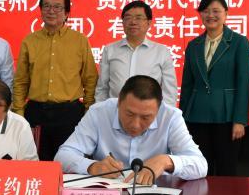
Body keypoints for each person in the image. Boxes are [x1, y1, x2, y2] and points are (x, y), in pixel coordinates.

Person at [55, 75, 207, 183]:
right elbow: (62, 156)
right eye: (129, 114)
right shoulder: (99, 113)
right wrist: (92, 167)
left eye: (146, 117)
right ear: (118, 102)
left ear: (159, 109)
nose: (135, 124)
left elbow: (201, 165)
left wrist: (166, 161)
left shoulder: (170, 117)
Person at [12, 0, 98, 161]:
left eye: (57, 7)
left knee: (69, 162)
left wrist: (88, 112)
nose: (51, 11)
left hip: (69, 114)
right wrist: (19, 113)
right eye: (46, 6)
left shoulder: (79, 40)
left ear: (66, 13)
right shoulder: (30, 41)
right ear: (41, 10)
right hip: (36, 113)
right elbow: (21, 81)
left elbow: (90, 79)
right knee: (36, 163)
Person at [179, 0, 249, 176]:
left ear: (226, 13)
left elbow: (244, 83)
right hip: (197, 115)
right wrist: (182, 119)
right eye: (205, 11)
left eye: (216, 11)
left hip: (227, 116)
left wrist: (240, 120)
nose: (210, 15)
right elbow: (187, 85)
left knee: (227, 169)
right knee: (200, 169)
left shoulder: (239, 42)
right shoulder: (193, 45)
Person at [96, 0, 177, 105]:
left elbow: (169, 92)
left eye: (138, 18)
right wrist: (100, 111)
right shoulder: (110, 50)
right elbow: (102, 88)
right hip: (115, 111)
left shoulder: (161, 52)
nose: (133, 22)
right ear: (122, 22)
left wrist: (164, 114)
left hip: (149, 112)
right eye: (128, 18)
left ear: (149, 23)